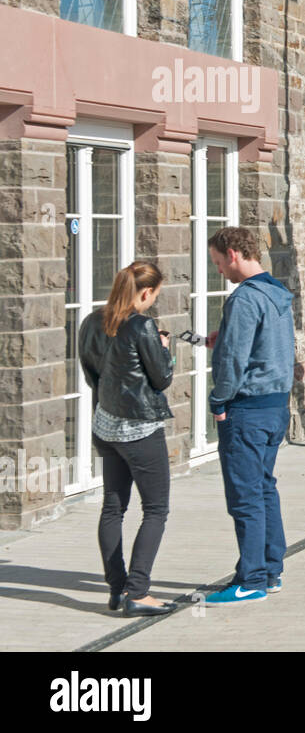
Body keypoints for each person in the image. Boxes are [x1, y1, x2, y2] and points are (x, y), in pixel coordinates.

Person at [78, 261, 176, 618]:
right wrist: (165, 347)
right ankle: (138, 591)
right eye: (154, 295)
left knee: (113, 507)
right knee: (156, 509)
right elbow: (162, 377)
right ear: (146, 292)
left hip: (105, 426)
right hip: (140, 430)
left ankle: (117, 589)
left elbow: (92, 374)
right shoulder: (141, 325)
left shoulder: (92, 321)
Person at [203, 226, 295, 606]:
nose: (219, 270)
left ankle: (252, 579)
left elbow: (234, 360)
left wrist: (218, 402)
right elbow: (262, 346)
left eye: (218, 262)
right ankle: (270, 570)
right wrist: (222, 337)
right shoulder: (277, 292)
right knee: (263, 488)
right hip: (276, 406)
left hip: (247, 411)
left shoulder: (243, 299)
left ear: (233, 254)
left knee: (245, 497)